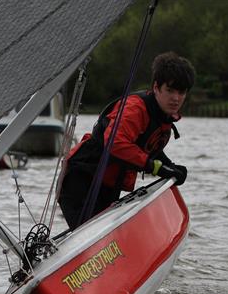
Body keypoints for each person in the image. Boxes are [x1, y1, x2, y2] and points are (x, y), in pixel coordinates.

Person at [59, 51, 195, 230]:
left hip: (108, 185)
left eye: (181, 92)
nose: (176, 98)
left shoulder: (163, 117)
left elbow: (146, 148)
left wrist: (170, 167)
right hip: (82, 179)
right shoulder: (136, 108)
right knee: (93, 240)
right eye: (170, 90)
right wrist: (155, 167)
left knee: (106, 236)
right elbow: (115, 143)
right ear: (156, 88)